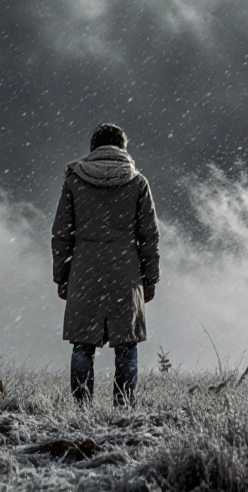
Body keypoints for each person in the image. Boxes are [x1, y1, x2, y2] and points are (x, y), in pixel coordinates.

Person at [51, 123, 160, 406]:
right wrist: (150, 279)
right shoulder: (138, 182)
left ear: (94, 148)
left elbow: (62, 233)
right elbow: (149, 235)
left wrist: (62, 275)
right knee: (126, 345)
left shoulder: (74, 180)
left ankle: (81, 408)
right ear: (123, 148)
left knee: (82, 344)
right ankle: (123, 408)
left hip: (85, 269)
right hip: (126, 270)